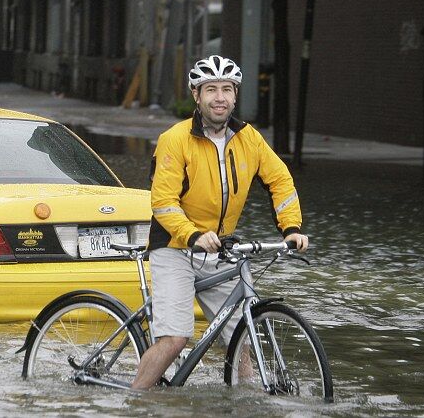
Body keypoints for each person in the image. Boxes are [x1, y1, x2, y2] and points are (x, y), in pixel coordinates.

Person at [132, 55, 307, 390]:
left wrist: (291, 228)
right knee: (175, 338)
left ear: (235, 95)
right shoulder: (175, 139)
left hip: (220, 247)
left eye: (227, 89)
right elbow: (163, 201)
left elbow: (280, 181)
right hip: (174, 246)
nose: (220, 97)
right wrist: (193, 234)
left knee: (242, 336)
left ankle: (247, 402)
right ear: (196, 96)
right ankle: (135, 402)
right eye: (210, 89)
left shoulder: (249, 138)